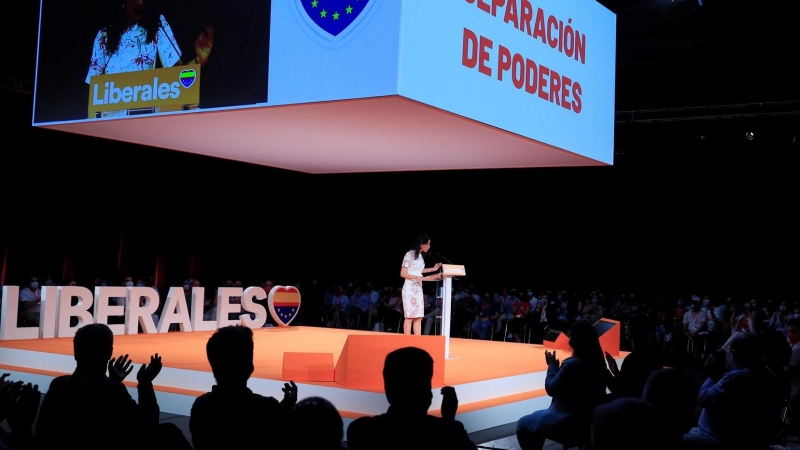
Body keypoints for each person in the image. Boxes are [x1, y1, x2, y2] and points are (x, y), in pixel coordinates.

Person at [86, 0, 214, 117]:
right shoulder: (103, 36)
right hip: (110, 123)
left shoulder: (157, 25)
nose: (140, 1)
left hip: (143, 119)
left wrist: (198, 60)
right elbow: (93, 91)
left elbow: (177, 76)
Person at [346, 347, 476, 450]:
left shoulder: (361, 430)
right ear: (427, 392)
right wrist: (449, 419)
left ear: (388, 388)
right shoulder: (451, 433)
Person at [516, 322, 612, 450]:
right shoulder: (600, 365)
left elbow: (551, 389)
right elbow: (615, 388)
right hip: (589, 420)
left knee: (522, 424)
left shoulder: (571, 365)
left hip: (568, 421)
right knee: (537, 417)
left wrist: (551, 366)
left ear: (574, 341)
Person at [399, 234, 442, 335]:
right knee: (409, 317)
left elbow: (418, 270)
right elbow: (403, 273)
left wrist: (433, 269)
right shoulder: (409, 254)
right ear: (421, 244)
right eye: (427, 244)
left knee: (418, 317)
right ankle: (407, 341)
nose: (429, 246)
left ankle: (417, 341)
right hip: (410, 288)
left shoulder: (420, 256)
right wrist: (415, 277)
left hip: (418, 288)